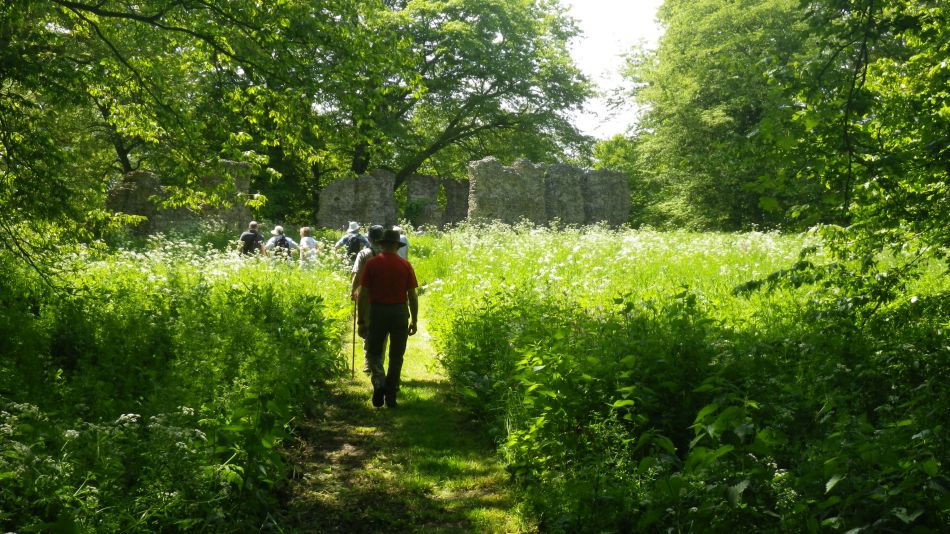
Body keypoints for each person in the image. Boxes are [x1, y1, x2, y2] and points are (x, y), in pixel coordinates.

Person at [357, 228, 418, 408]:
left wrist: (361, 320)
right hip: (399, 313)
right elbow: (412, 295)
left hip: (378, 312)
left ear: (382, 244)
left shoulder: (372, 264)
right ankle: (391, 395)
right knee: (396, 356)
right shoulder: (405, 265)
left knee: (374, 352)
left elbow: (364, 294)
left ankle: (378, 382)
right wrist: (414, 319)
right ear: (396, 245)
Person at [351, 225, 385, 372]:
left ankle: (368, 362)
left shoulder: (364, 254)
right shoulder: (389, 254)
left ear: (369, 238)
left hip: (367, 294)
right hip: (384, 294)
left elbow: (357, 274)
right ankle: (378, 362)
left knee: (366, 327)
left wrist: (353, 290)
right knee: (383, 330)